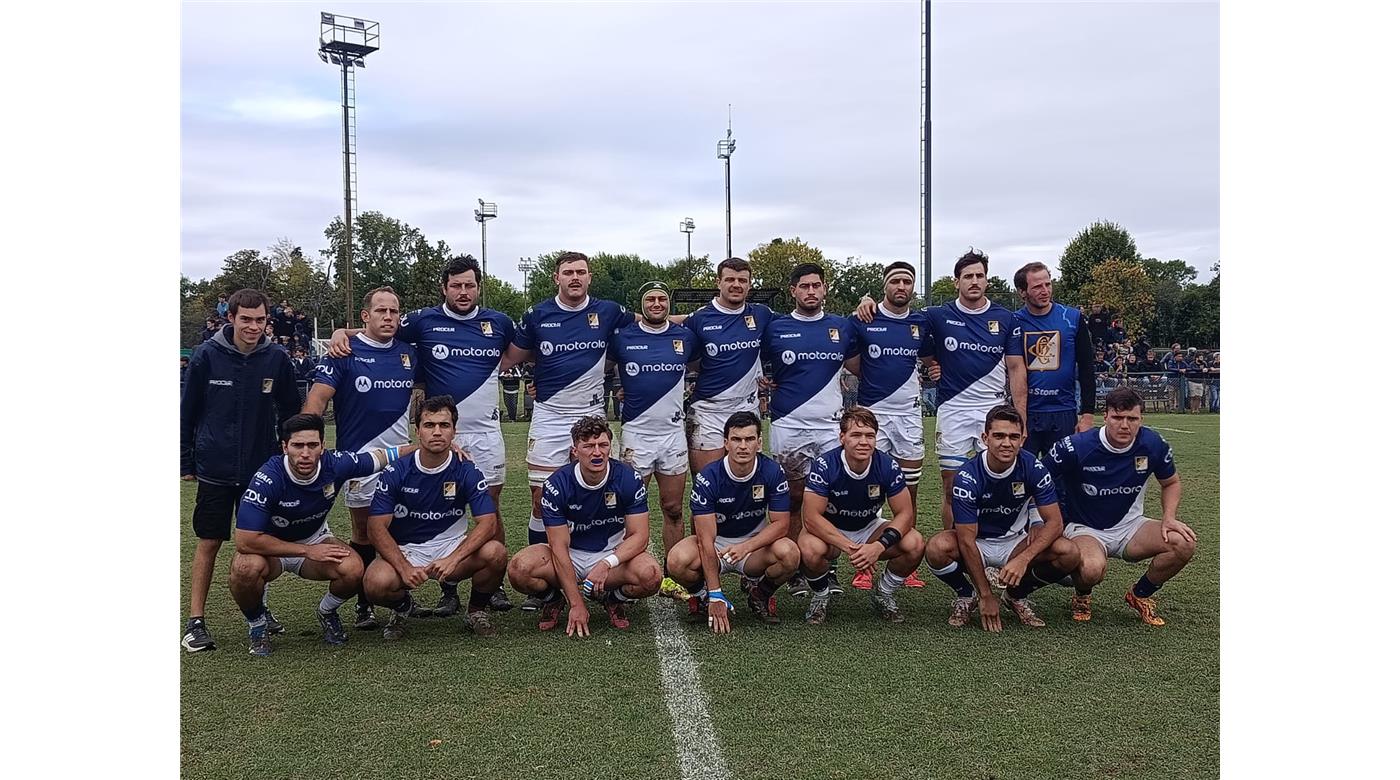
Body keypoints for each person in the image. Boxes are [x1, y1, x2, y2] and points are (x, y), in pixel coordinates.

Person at [328, 256, 519, 614]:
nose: (463, 291)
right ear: (444, 288)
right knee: (435, 504)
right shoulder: (422, 321)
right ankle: (446, 587)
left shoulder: (499, 322)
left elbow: (524, 352)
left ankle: (491, 588)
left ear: (479, 288)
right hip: (441, 430)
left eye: (470, 285)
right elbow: (379, 330)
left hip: (485, 433)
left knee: (489, 509)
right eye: (456, 285)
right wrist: (343, 333)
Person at [230, 413, 415, 655]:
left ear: (322, 446)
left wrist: (429, 447)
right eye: (298, 446)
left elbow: (382, 457)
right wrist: (307, 551)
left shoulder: (334, 464)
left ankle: (327, 612)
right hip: (271, 549)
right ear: (285, 447)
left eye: (312, 445)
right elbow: (245, 540)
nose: (305, 453)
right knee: (244, 568)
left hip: (314, 538)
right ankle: (257, 625)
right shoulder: (268, 478)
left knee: (353, 569)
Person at [180, 288, 301, 652]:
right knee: (210, 541)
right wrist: (186, 461)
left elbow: (290, 414)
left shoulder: (276, 358)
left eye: (260, 320)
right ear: (230, 318)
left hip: (259, 470)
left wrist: (286, 457)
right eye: (245, 319)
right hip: (214, 467)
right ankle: (195, 623)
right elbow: (187, 413)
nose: (253, 327)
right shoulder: (206, 355)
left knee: (256, 544)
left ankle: (258, 610)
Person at [503, 252, 633, 591]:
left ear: (589, 277)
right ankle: (547, 583)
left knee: (605, 493)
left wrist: (694, 319)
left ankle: (606, 575)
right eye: (568, 272)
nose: (575, 277)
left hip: (592, 414)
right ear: (556, 278)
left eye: (580, 272)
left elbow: (651, 323)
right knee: (540, 498)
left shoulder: (608, 311)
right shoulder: (537, 315)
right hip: (550, 415)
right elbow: (511, 357)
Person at [303, 287, 417, 630]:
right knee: (365, 531)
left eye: (394, 311)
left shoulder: (409, 352)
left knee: (396, 529)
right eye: (381, 310)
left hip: (401, 459)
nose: (388, 316)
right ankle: (364, 604)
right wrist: (306, 440)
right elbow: (317, 400)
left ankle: (395, 595)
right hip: (358, 459)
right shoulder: (343, 352)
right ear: (366, 316)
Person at [1045, 387, 1197, 625]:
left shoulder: (1152, 444)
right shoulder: (1076, 447)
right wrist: (1047, 522)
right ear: (1105, 416)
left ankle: (1140, 595)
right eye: (1117, 417)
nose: (1125, 425)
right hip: (1085, 529)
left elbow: (1171, 483)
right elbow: (1040, 480)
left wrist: (1169, 517)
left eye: (1132, 418)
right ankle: (1082, 595)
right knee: (1091, 569)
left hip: (1131, 527)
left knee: (1184, 542)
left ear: (1141, 419)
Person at [923, 406, 1079, 631]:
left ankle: (1015, 595)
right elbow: (966, 540)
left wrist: (1024, 559)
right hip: (977, 542)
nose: (1006, 443)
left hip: (1015, 542)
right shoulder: (967, 476)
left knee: (1068, 553)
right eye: (999, 436)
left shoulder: (1034, 468)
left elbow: (1055, 523)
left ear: (1022, 440)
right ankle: (967, 595)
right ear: (985, 438)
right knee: (937, 548)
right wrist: (986, 595)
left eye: (1013, 437)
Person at [364, 396, 508, 640]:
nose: (437, 432)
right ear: (417, 431)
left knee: (496, 553)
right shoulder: (397, 470)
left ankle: (476, 611)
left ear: (454, 431)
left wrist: (454, 558)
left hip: (451, 548)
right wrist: (403, 567)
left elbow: (488, 522)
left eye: (444, 425)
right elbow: (375, 527)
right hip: (407, 550)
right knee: (375, 582)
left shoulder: (467, 469)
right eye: (429, 425)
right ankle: (402, 608)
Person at [505, 416, 662, 636]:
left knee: (651, 576)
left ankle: (612, 599)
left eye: (603, 445)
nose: (597, 452)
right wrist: (576, 603)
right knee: (519, 569)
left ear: (610, 448)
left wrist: (606, 563)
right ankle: (555, 600)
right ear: (575, 451)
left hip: (612, 554)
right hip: (571, 555)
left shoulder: (628, 478)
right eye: (588, 446)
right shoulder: (556, 485)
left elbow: (640, 536)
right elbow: (558, 547)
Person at [761, 263, 858, 586]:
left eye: (816, 285)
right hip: (788, 424)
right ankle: (792, 565)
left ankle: (826, 566)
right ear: (793, 291)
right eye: (804, 286)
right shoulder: (775, 327)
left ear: (825, 288)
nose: (811, 291)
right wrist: (762, 379)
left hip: (830, 426)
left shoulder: (841, 327)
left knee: (830, 499)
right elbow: (752, 360)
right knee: (791, 498)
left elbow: (861, 365)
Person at [607, 282, 698, 599]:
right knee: (627, 508)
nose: (657, 304)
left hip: (673, 436)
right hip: (636, 436)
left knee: (673, 508)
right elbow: (599, 369)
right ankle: (624, 571)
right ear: (641, 304)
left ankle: (674, 574)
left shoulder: (685, 337)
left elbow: (707, 368)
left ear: (668, 304)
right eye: (650, 299)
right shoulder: (623, 337)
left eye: (662, 299)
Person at [667, 411, 798, 631]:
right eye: (736, 439)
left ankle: (760, 594)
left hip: (753, 547)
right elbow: (704, 540)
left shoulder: (772, 471)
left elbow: (781, 524)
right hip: (716, 545)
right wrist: (715, 593)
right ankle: (704, 596)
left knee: (790, 553)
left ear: (759, 442)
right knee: (676, 561)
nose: (743, 446)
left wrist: (746, 547)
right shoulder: (709, 477)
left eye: (749, 439)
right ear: (726, 443)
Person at [796, 407, 925, 625]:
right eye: (856, 435)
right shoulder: (825, 465)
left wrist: (879, 546)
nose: (863, 442)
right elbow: (811, 518)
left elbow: (905, 514)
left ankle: (883, 593)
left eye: (870, 436)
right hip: (831, 529)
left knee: (915, 542)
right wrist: (853, 549)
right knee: (809, 548)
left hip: (869, 526)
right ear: (842, 437)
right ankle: (821, 595)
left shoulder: (887, 465)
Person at [683, 257, 774, 475]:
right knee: (707, 481)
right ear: (718, 282)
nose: (736, 285)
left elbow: (797, 325)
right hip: (708, 411)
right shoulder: (699, 319)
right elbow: (689, 360)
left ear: (749, 284)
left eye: (742, 280)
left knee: (745, 479)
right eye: (730, 279)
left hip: (747, 408)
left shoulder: (762, 314)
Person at [1012, 261, 1097, 460]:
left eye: (1048, 284)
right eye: (1037, 287)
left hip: (1064, 412)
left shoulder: (1072, 318)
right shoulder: (1013, 322)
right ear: (1022, 292)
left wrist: (1087, 415)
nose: (1045, 291)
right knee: (1023, 475)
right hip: (1027, 414)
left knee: (1064, 476)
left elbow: (1087, 368)